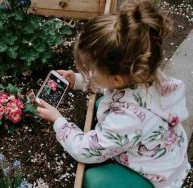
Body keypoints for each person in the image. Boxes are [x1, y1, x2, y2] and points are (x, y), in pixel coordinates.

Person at [37, 0, 191, 187]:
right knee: (103, 101)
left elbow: (84, 150)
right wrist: (77, 81)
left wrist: (58, 121)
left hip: (155, 175)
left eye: (91, 68)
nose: (88, 71)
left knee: (94, 180)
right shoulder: (144, 73)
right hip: (168, 155)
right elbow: (108, 85)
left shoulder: (126, 120)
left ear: (116, 79)